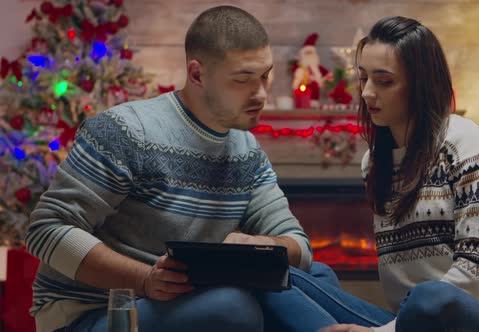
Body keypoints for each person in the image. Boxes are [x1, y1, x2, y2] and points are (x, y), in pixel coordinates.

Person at [25, 6, 318, 332]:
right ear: (197, 75)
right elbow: (45, 229)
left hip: (187, 302)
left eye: (265, 75)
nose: (261, 94)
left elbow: (300, 248)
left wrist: (263, 247)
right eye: (243, 80)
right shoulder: (128, 131)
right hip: (95, 312)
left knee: (317, 278)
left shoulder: (247, 153)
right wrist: (145, 279)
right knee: (233, 308)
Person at [257, 16, 479, 332]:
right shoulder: (374, 163)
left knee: (430, 295)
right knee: (274, 277)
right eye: (363, 78)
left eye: (384, 81)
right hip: (408, 323)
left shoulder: (466, 142)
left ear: (420, 84)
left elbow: (475, 274)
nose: (366, 93)